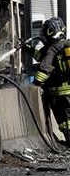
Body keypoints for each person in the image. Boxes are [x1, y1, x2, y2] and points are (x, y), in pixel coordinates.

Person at [30, 17, 70, 146]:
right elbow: (42, 57)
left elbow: (44, 67)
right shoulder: (64, 45)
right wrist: (28, 49)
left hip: (59, 94)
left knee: (64, 120)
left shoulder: (53, 49)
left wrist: (35, 84)